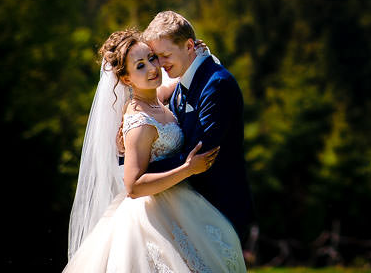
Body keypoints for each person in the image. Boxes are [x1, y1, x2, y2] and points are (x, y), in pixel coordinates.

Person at [65, 29, 246, 272]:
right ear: (127, 79)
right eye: (140, 66)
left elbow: (184, 74)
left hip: (183, 205)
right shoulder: (139, 123)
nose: (152, 68)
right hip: (153, 214)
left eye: (151, 58)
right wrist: (187, 169)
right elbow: (133, 186)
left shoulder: (158, 96)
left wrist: (197, 52)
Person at [143, 10, 255, 245]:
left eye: (165, 55)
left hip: (218, 208)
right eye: (156, 56)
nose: (160, 65)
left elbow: (199, 153)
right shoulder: (183, 80)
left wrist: (144, 175)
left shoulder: (216, 85)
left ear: (189, 45)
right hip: (187, 209)